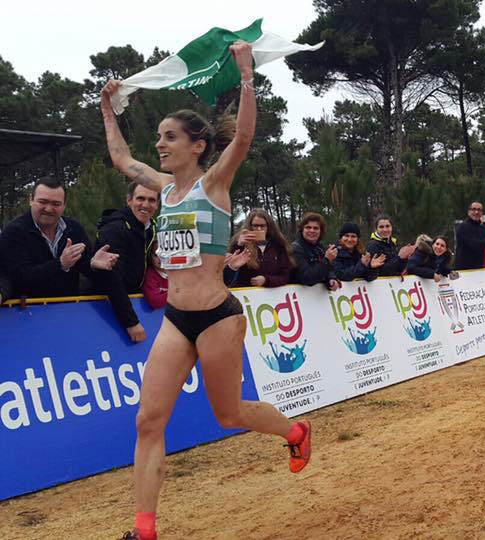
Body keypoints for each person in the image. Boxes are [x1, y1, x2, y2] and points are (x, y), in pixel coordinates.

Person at [100, 42, 310, 540]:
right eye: (159, 137)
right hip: (175, 319)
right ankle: (144, 530)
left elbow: (242, 136)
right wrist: (108, 109)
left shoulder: (213, 185)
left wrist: (245, 74)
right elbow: (120, 156)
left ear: (196, 146)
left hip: (218, 316)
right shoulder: (160, 187)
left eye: (169, 137)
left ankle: (296, 432)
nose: (160, 145)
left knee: (228, 413)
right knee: (149, 421)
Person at [0, 176, 118, 298]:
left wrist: (94, 265)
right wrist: (60, 264)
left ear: (64, 205)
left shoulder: (74, 229)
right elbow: (17, 278)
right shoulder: (13, 232)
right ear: (31, 200)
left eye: (56, 204)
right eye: (43, 202)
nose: (49, 209)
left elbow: (86, 268)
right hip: (26, 311)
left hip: (67, 309)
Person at [95, 182, 160, 343]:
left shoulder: (152, 228)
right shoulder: (115, 228)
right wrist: (131, 322)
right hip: (103, 308)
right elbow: (111, 279)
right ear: (129, 200)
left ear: (157, 204)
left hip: (137, 303)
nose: (145, 205)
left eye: (151, 200)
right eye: (140, 198)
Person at [224, 209, 293, 288]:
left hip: (273, 295)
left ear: (269, 226)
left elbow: (285, 276)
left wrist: (266, 280)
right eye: (255, 226)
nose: (259, 229)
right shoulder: (240, 243)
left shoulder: (278, 245)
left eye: (262, 226)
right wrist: (238, 245)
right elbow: (227, 274)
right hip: (245, 295)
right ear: (250, 226)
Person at [290, 212, 340, 290]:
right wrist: (327, 259)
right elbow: (307, 278)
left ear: (321, 231)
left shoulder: (320, 247)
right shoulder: (295, 249)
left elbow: (328, 269)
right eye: (308, 227)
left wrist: (331, 278)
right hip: (297, 296)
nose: (312, 231)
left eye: (316, 228)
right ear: (302, 230)